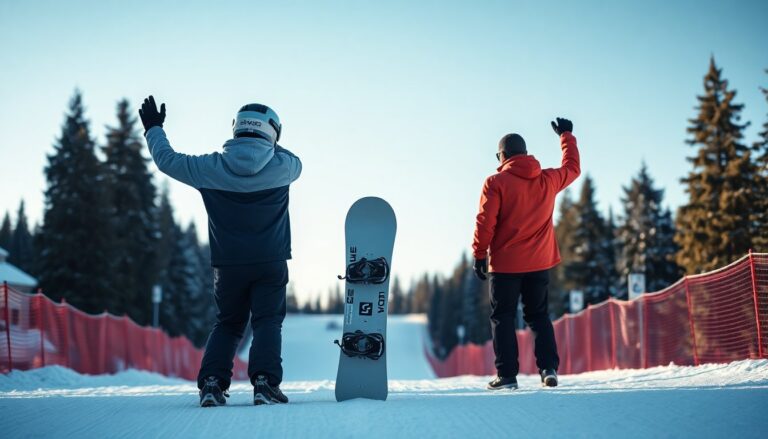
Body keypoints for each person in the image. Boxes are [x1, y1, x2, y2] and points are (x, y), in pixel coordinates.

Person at [139, 96, 302, 406]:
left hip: (228, 265)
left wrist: (153, 129)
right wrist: (272, 143)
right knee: (267, 321)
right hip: (270, 261)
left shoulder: (208, 168)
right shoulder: (285, 166)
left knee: (228, 323)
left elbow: (166, 160)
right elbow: (291, 157)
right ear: (273, 133)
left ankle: (213, 384)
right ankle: (265, 384)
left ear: (236, 128)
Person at [472, 117, 580, 390]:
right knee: (538, 315)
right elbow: (572, 168)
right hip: (539, 262)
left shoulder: (496, 182)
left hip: (505, 265)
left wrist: (479, 254)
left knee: (503, 317)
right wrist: (566, 136)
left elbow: (486, 222)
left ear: (503, 155)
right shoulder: (547, 179)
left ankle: (507, 375)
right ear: (525, 153)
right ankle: (548, 369)